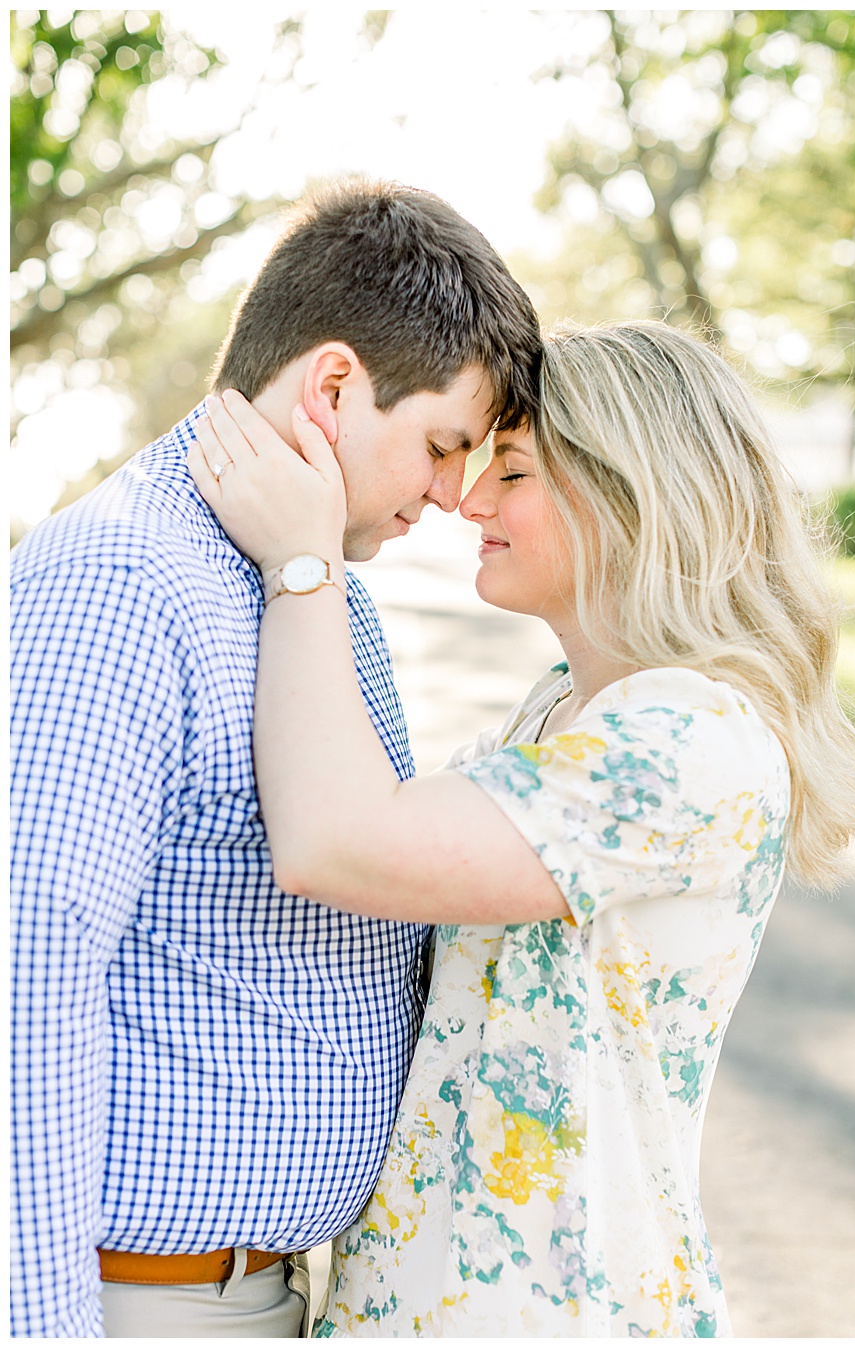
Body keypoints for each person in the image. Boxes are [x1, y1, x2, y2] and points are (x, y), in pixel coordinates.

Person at [186, 318, 855, 1335]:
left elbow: (339, 841)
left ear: (626, 494)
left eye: (510, 470)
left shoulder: (691, 736)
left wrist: (302, 565)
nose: (468, 498)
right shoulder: (559, 707)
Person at [10, 179, 542, 1337]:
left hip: (250, 1291)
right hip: (131, 1305)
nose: (453, 497)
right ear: (337, 385)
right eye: (443, 445)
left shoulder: (307, 581)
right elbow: (25, 985)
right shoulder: (123, 583)